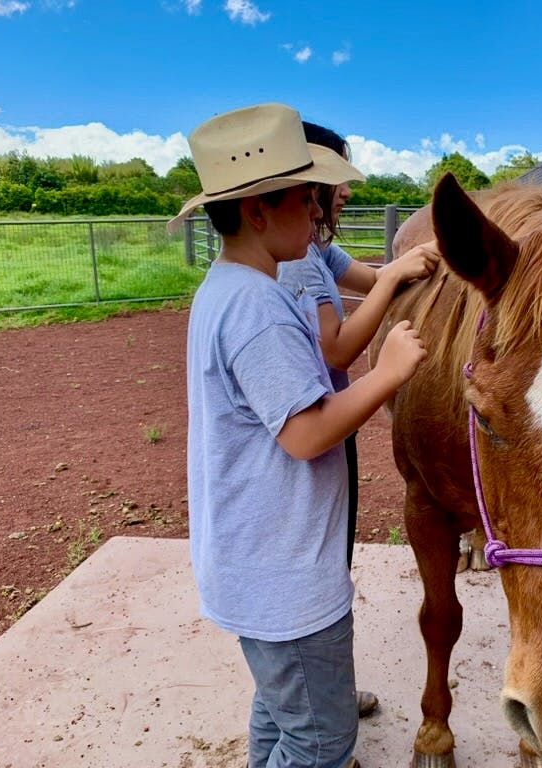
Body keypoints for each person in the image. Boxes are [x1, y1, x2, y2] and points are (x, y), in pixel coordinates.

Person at [170, 103, 427, 768]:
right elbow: (307, 435)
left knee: (283, 711)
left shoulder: (232, 288)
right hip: (283, 578)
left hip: (262, 564)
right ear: (258, 210)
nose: (318, 215)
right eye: (305, 202)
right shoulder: (259, 311)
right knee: (322, 741)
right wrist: (389, 374)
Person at [277, 123, 438, 722]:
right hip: (316, 417)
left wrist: (420, 264)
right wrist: (390, 365)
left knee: (328, 562)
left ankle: (323, 694)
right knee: (317, 572)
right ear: (310, 185)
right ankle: (318, 711)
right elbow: (337, 349)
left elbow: (372, 280)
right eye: (337, 181)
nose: (347, 192)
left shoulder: (317, 250)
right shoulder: (298, 265)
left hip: (327, 420)